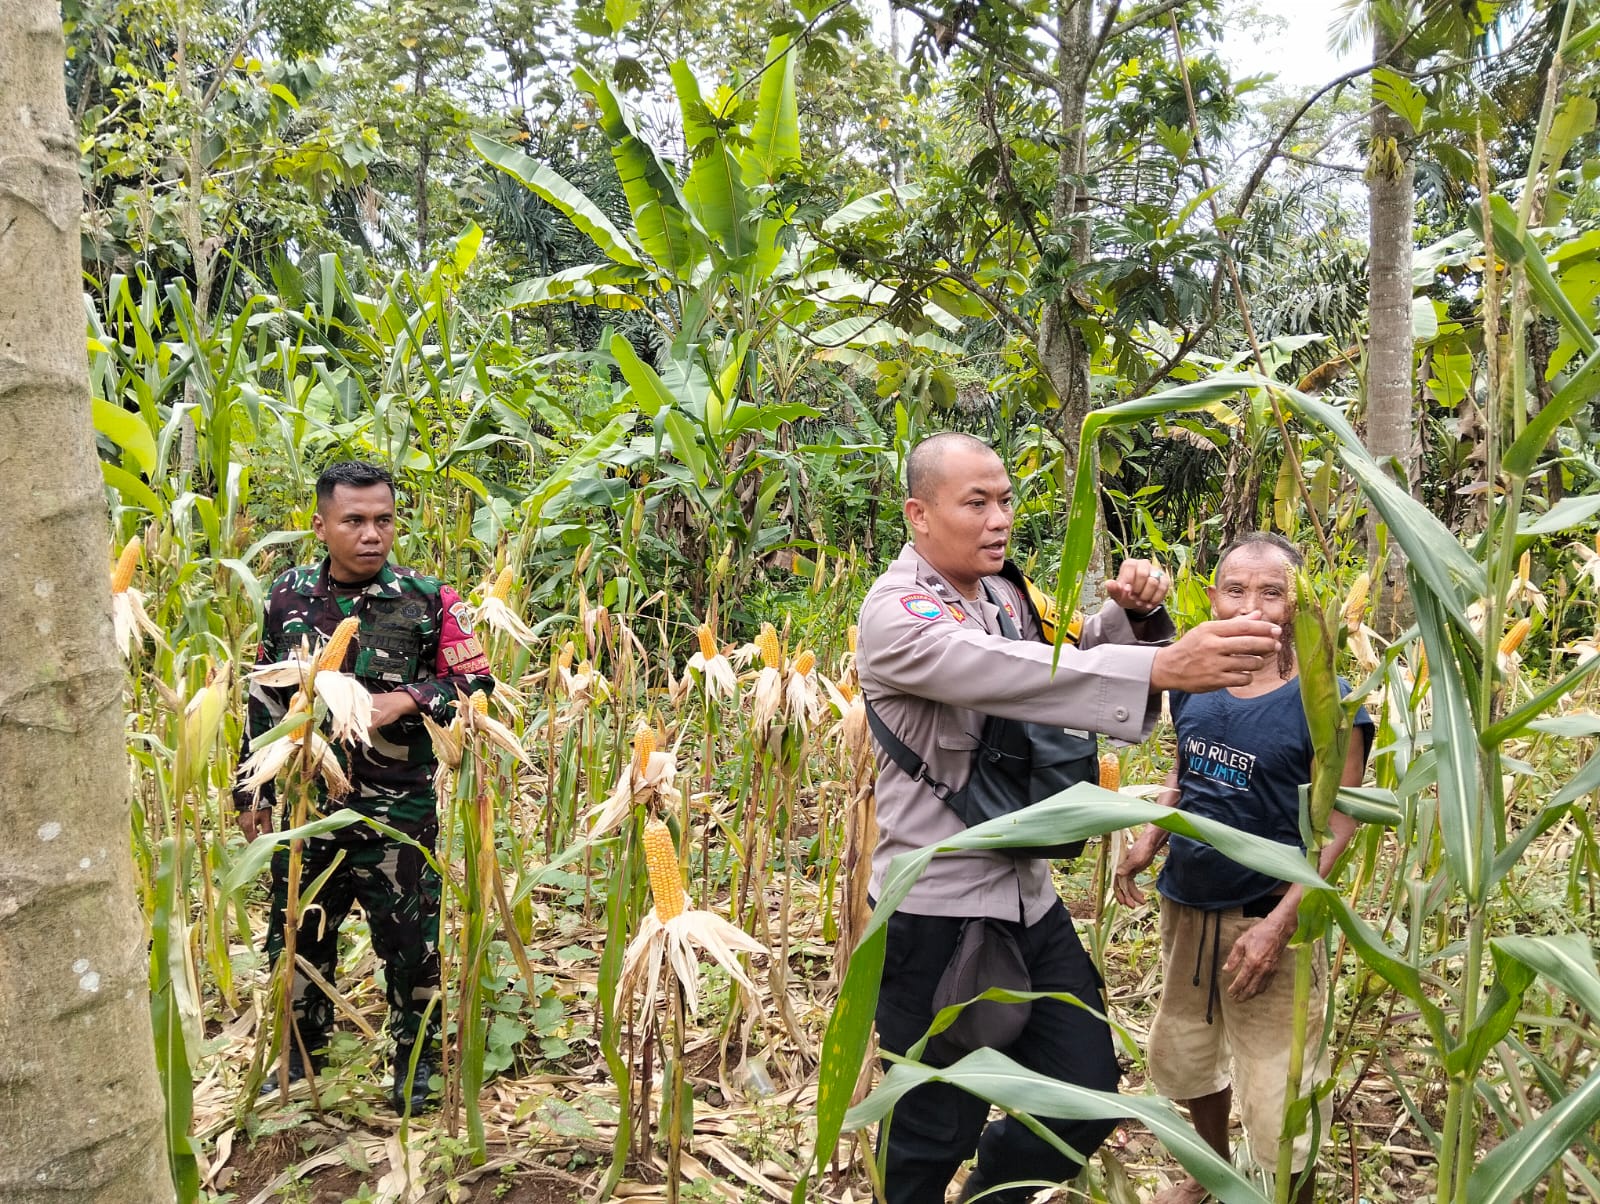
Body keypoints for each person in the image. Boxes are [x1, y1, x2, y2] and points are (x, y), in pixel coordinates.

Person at [855, 433, 1286, 1204]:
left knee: (1085, 1089)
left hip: (1027, 897)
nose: (1000, 519)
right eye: (976, 503)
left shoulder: (1002, 594)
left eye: (1005, 500)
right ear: (919, 514)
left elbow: (1066, 653)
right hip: (937, 909)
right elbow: (1006, 672)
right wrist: (1161, 666)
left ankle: (991, 1196)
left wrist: (1135, 619)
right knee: (933, 1124)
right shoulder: (900, 614)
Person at [1113, 532, 1373, 1204]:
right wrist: (1153, 836)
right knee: (1188, 1056)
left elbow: (1339, 821)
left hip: (1268, 918)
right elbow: (1186, 769)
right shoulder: (1194, 679)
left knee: (1281, 1096)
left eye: (1272, 592)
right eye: (1235, 589)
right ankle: (1211, 1172)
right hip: (1188, 905)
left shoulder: (1328, 704)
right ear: (1212, 597)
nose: (1251, 607)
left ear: (1300, 605)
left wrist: (1281, 923)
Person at [233, 461, 494, 1113]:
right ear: (321, 526)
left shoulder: (428, 599)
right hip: (307, 804)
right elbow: (265, 696)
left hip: (396, 809)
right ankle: (300, 1056)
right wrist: (251, 790)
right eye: (354, 520)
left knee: (410, 946)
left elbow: (476, 681)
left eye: (383, 520)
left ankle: (417, 1065)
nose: (372, 534)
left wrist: (405, 700)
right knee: (298, 935)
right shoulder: (287, 596)